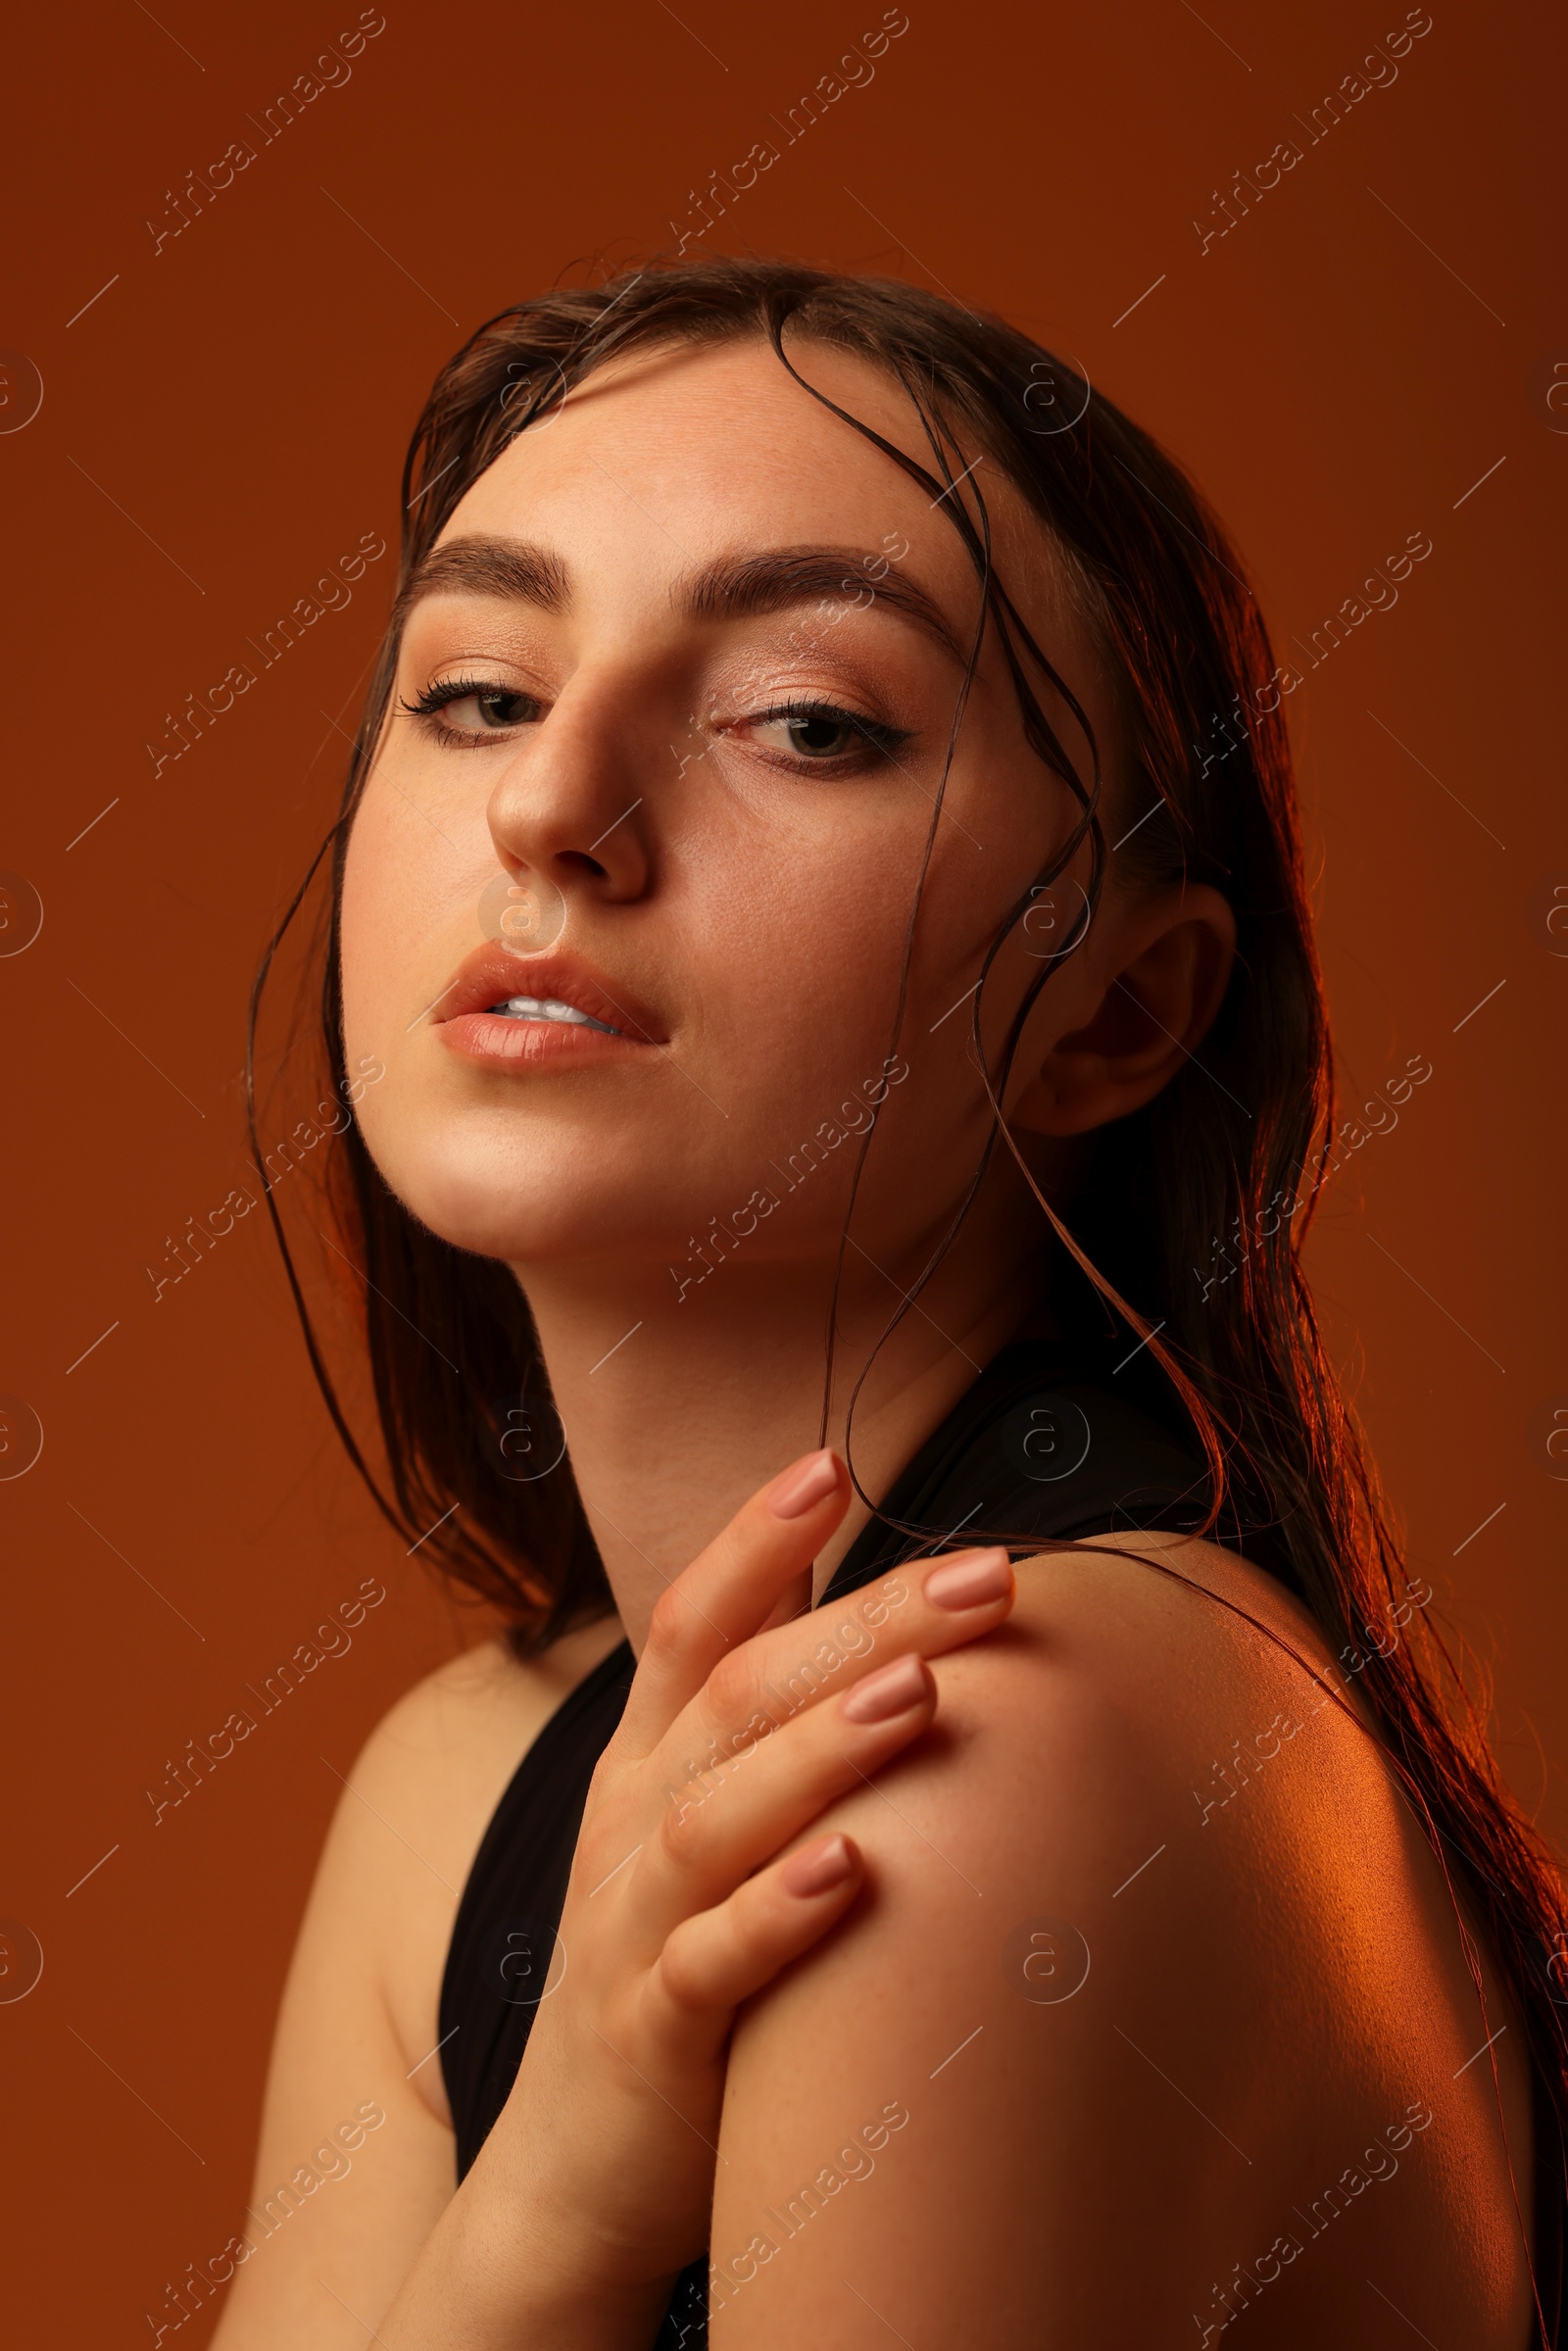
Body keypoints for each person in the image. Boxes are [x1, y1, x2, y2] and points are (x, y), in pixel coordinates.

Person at [212, 258, 1566, 2348]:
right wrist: (554, 2205)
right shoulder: (463, 1778)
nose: (548, 810)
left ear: (1119, 1015)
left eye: (808, 724)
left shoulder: (983, 1735)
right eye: (478, 687)